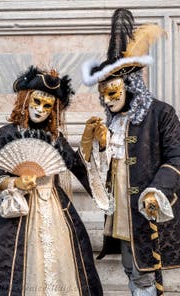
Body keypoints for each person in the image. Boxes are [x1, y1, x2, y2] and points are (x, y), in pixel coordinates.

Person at [80, 8, 180, 296]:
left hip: (147, 206)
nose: (106, 100)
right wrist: (95, 144)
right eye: (102, 95)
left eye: (112, 92)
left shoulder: (161, 114)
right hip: (121, 208)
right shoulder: (111, 122)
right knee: (130, 264)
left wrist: (156, 191)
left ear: (131, 86)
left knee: (145, 272)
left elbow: (176, 157)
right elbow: (102, 170)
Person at [0, 66, 103, 296]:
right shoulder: (8, 133)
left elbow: (77, 167)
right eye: (36, 101)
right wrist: (16, 183)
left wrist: (88, 139)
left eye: (47, 106)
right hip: (21, 209)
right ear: (25, 100)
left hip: (55, 207)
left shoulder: (55, 138)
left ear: (53, 111)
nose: (40, 109)